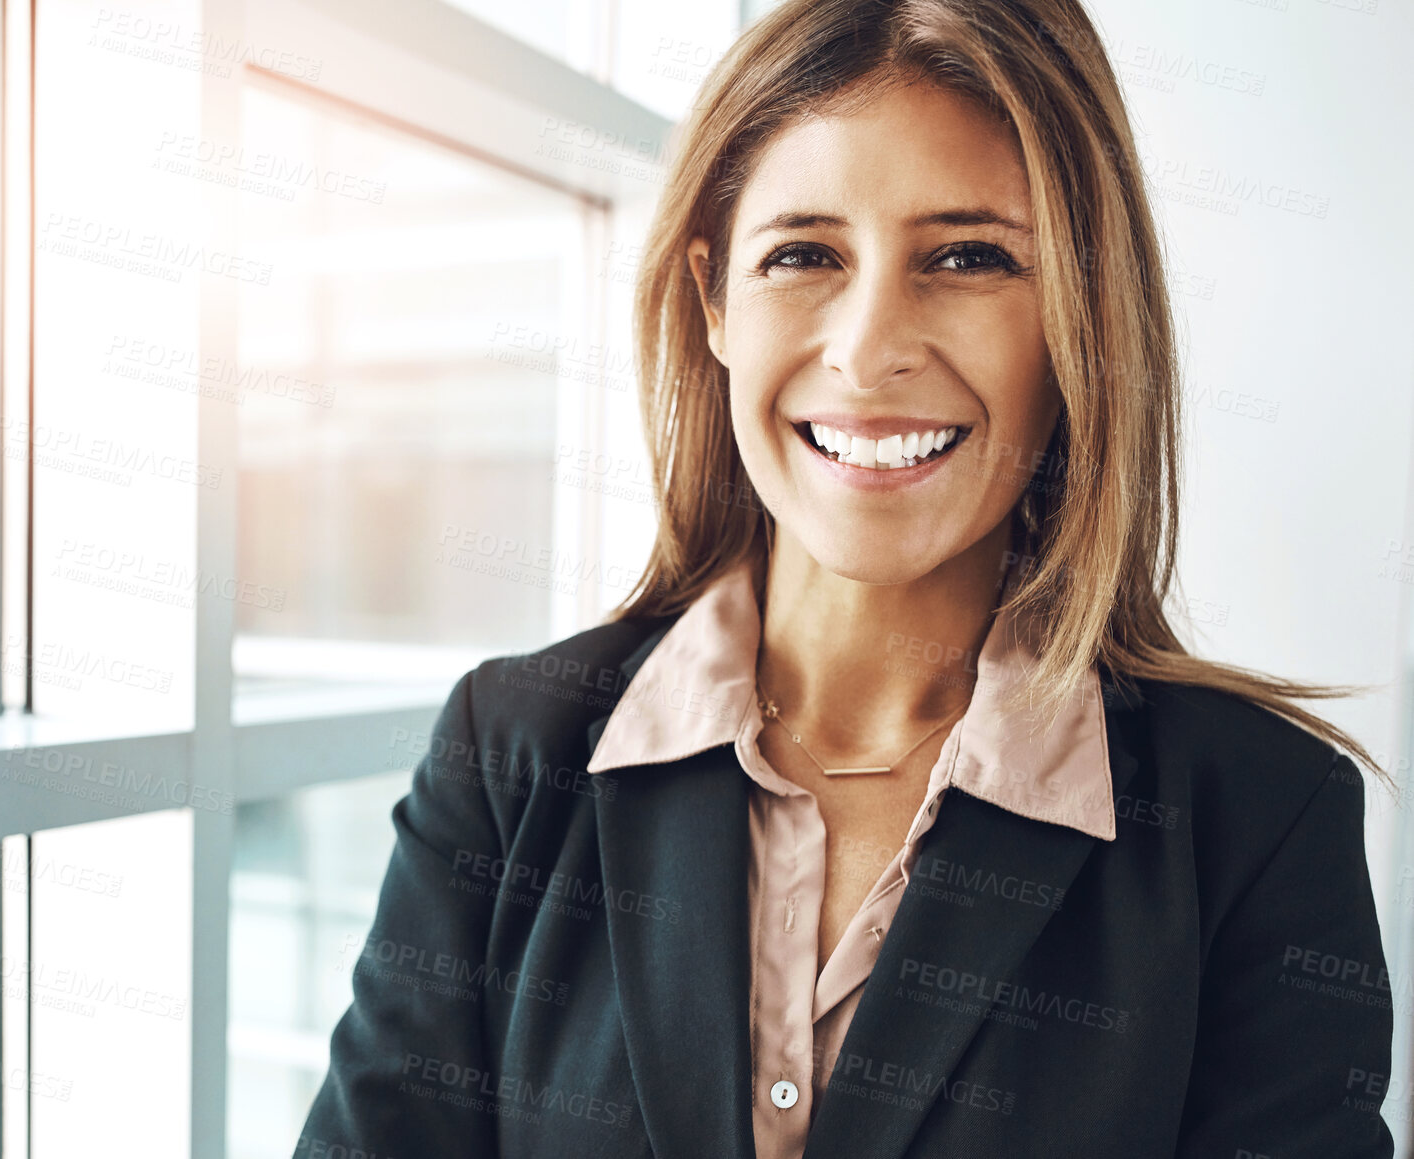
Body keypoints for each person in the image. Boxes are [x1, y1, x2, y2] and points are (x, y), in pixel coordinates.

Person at [297, 0, 1398, 1154]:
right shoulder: (508, 750)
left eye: (967, 258)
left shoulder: (1258, 815)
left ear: (1080, 310)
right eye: (803, 255)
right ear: (714, 299)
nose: (869, 350)